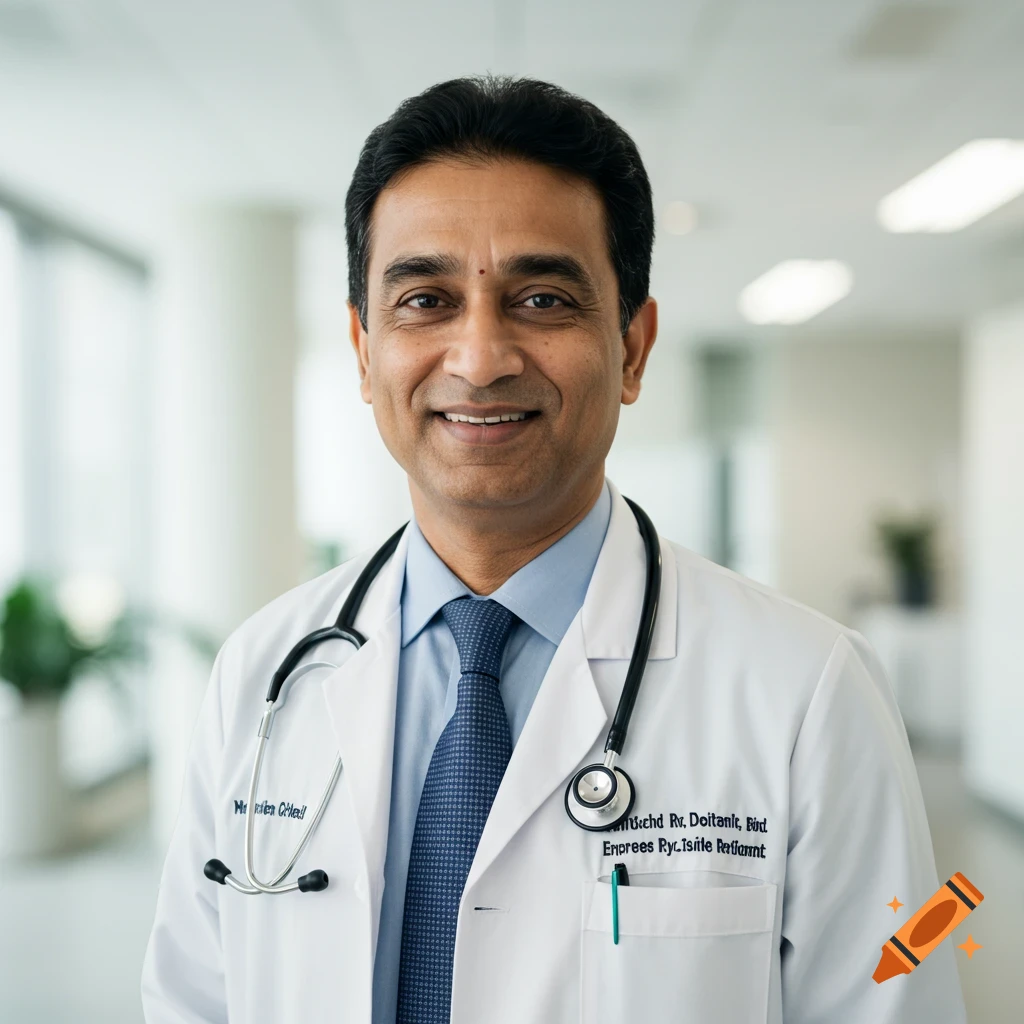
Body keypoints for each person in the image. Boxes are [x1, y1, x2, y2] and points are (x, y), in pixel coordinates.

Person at [142, 76, 966, 1024]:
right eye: (425, 299)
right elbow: (190, 999)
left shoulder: (809, 689)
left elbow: (898, 1004)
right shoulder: (261, 673)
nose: (481, 355)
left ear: (635, 347)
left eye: (541, 297)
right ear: (364, 352)